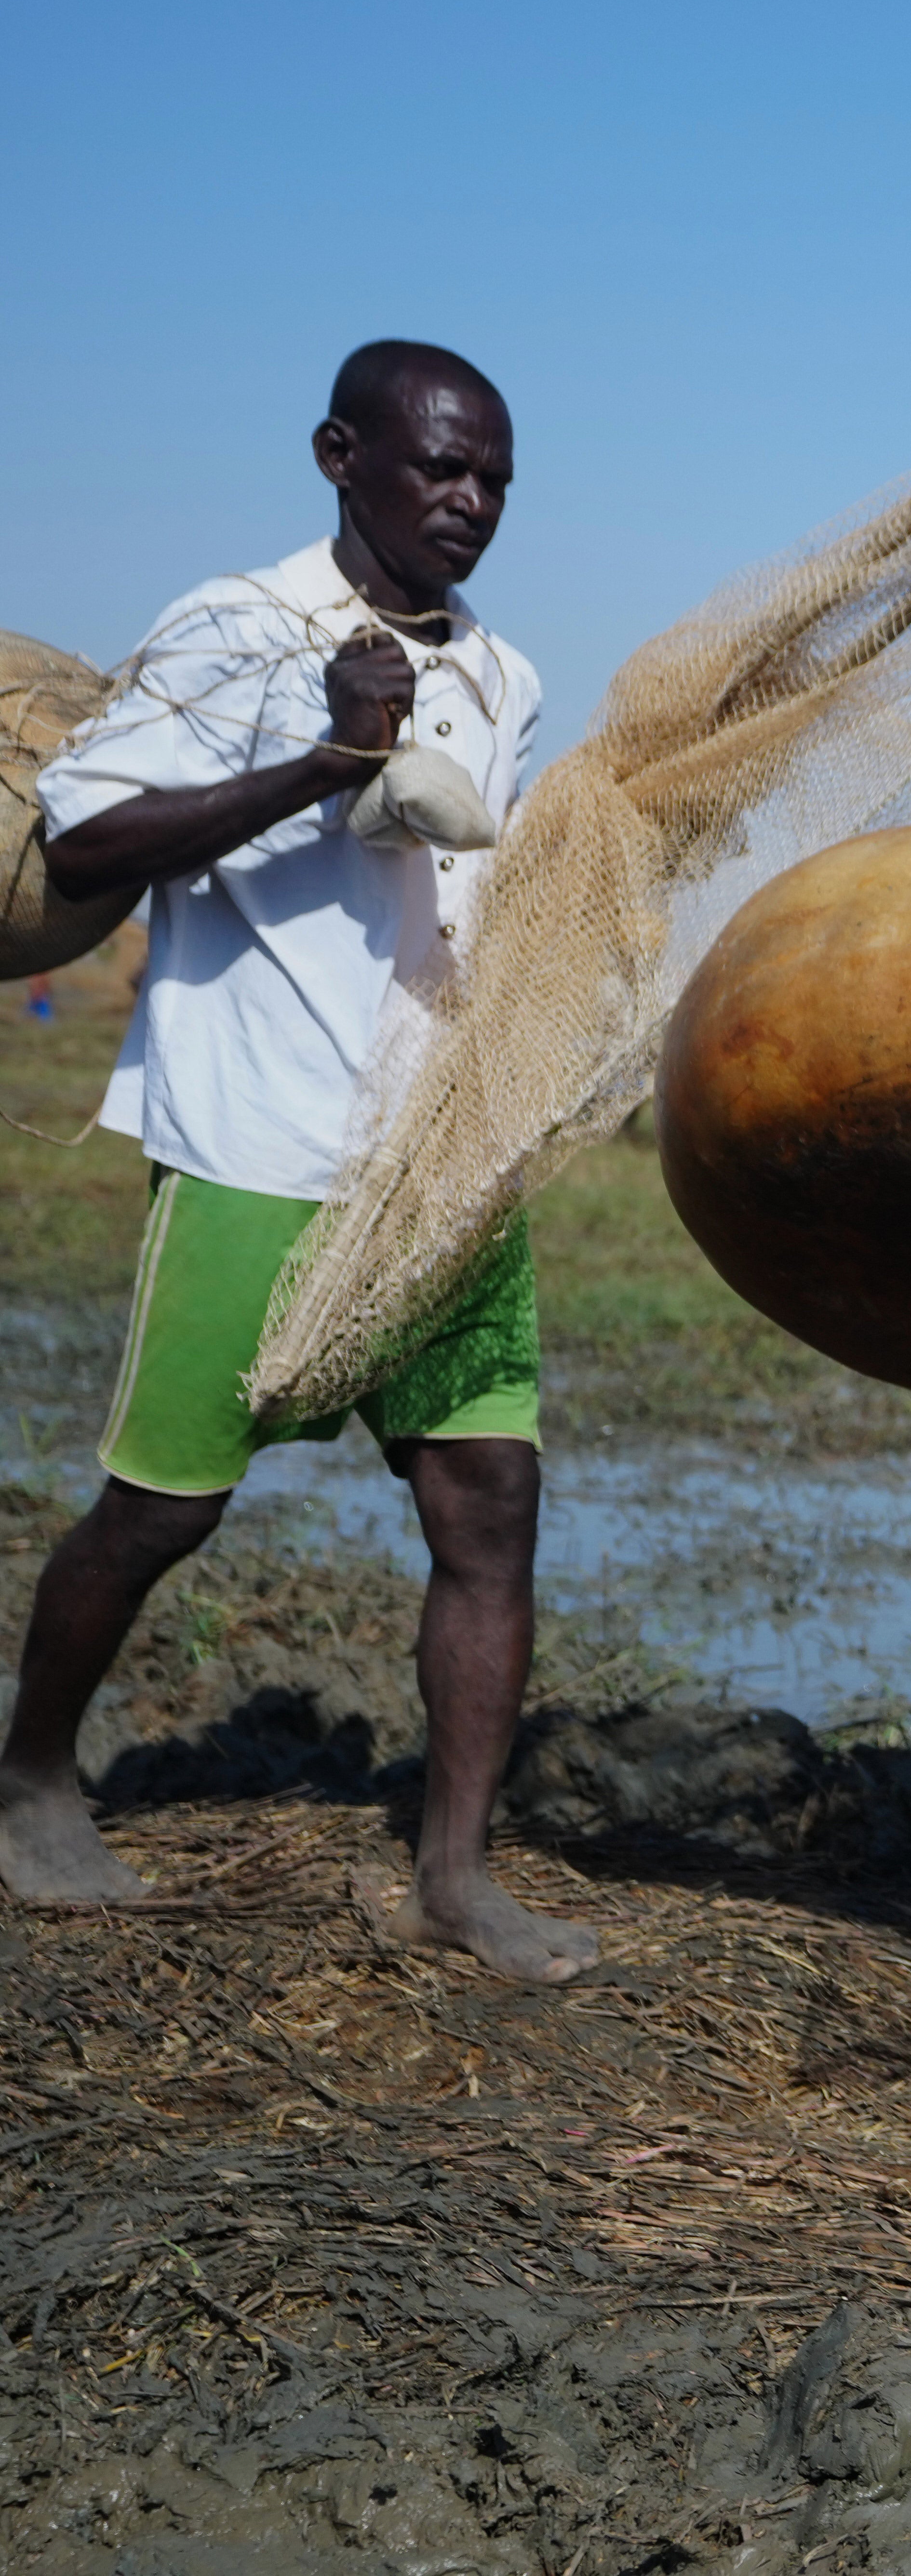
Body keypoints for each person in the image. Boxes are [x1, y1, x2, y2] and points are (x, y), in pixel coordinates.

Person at [1, 341, 596, 1984]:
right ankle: (32, 1779)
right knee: (162, 1508)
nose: (471, 502)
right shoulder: (237, 628)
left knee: (489, 1507)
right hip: (257, 1136)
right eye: (440, 468)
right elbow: (84, 838)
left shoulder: (508, 676)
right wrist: (325, 765)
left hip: (439, 1158)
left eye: (495, 480)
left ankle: (455, 1878)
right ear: (341, 455)